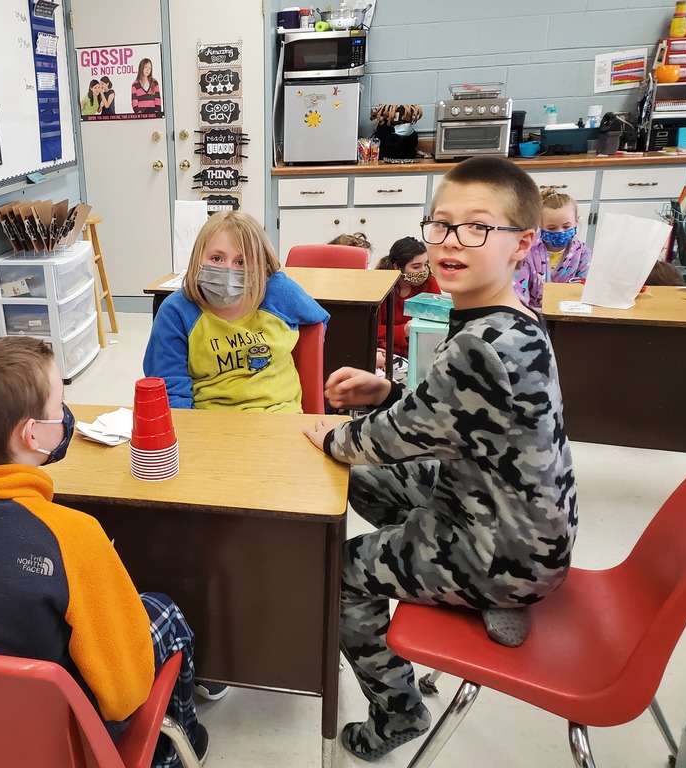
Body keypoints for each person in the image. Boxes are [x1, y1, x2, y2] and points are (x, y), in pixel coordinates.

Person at [303, 157, 578, 761]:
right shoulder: (515, 319)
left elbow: (386, 440)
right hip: (527, 528)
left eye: (477, 227)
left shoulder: (477, 345)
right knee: (366, 485)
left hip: (504, 551)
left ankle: (398, 710)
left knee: (342, 572)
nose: (452, 242)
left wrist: (325, 435)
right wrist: (388, 392)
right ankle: (447, 580)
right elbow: (454, 418)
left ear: (521, 243)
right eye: (441, 224)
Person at [0, 337, 211, 766]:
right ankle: (179, 750)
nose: (64, 415)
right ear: (33, 434)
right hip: (60, 747)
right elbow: (124, 694)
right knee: (164, 611)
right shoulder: (74, 535)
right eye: (59, 404)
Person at [143, 211, 329, 411]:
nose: (228, 270)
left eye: (241, 262)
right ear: (198, 258)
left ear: (259, 264)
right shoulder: (176, 311)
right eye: (216, 258)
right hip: (210, 422)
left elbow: (318, 322)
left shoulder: (279, 292)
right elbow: (170, 390)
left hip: (280, 416)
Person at [513, 187, 592, 310]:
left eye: (566, 226)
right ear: (540, 224)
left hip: (568, 314)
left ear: (576, 220)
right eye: (551, 228)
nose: (560, 232)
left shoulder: (583, 254)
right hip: (532, 313)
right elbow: (517, 289)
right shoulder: (526, 251)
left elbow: (582, 291)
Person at [374, 236, 441, 372]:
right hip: (387, 349)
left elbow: (437, 319)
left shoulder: (429, 282)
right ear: (396, 267)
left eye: (426, 264)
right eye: (416, 267)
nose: (423, 271)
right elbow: (372, 329)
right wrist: (403, 331)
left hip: (420, 349)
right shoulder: (379, 285)